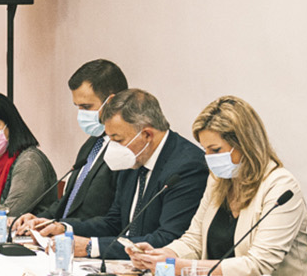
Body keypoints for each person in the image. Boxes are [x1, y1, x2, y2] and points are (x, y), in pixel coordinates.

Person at [127, 96, 307, 276]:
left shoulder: (280, 186)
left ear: (245, 144)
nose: (209, 158)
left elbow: (258, 266)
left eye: (216, 150)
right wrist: (163, 255)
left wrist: (185, 267)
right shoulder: (218, 181)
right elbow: (194, 240)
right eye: (205, 150)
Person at [41, 88, 206, 260]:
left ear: (147, 134)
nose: (113, 148)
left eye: (118, 140)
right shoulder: (134, 158)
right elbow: (114, 222)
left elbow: (167, 239)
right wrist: (64, 228)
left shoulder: (187, 167)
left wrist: (92, 247)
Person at [15, 59, 127, 235]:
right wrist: (39, 219)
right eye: (78, 107)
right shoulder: (92, 143)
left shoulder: (127, 151)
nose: (81, 113)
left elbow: (115, 218)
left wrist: (65, 227)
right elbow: (69, 202)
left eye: (86, 107)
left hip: (91, 244)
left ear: (111, 101)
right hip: (63, 239)